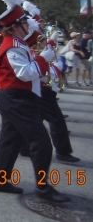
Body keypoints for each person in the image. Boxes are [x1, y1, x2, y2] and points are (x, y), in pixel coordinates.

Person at [0, 0, 68, 202]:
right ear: (15, 27)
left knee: (10, 141)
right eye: (24, 22)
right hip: (15, 97)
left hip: (16, 97)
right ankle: (43, 188)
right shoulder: (13, 46)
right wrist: (44, 59)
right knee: (41, 142)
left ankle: (0, 181)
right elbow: (24, 73)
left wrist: (45, 54)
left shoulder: (19, 43)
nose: (28, 24)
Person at [20, 24, 80, 164]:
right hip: (42, 90)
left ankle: (24, 146)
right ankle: (63, 152)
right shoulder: (34, 54)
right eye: (42, 40)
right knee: (57, 120)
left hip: (43, 90)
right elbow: (41, 73)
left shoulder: (39, 52)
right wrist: (57, 69)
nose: (45, 42)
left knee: (36, 119)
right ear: (35, 43)